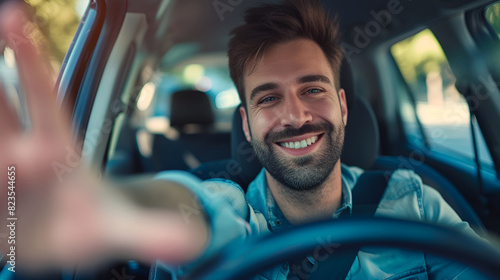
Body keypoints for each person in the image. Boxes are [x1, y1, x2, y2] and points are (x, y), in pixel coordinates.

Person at [0, 0, 488, 279]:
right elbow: (187, 209)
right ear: (246, 124)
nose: (295, 116)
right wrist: (110, 202)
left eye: (312, 89)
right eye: (268, 99)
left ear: (342, 106)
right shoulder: (229, 209)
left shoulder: (416, 200)